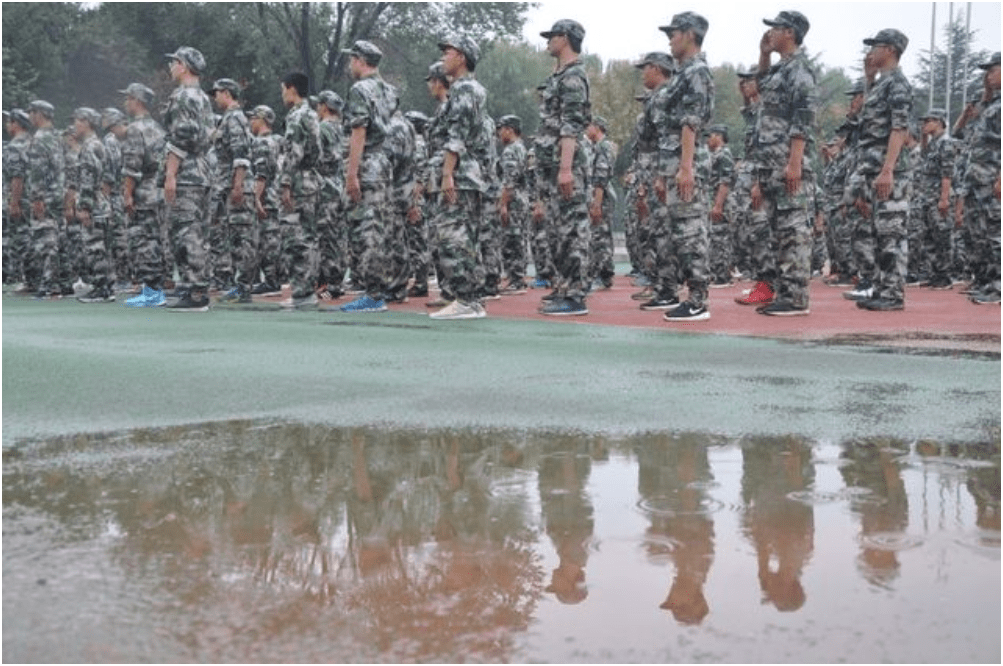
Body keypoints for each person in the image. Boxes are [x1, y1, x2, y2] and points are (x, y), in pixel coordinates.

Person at [747, 10, 817, 316]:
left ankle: (796, 298)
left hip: (787, 165)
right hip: (771, 165)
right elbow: (760, 87)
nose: (769, 33)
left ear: (789, 32)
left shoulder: (800, 70)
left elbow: (804, 118)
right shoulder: (779, 69)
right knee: (778, 230)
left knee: (793, 230)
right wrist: (763, 55)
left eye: (774, 28)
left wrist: (794, 163)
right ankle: (784, 292)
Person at [657, 12, 715, 322]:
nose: (670, 37)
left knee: (692, 232)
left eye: (674, 32)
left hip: (686, 162)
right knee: (680, 233)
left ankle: (697, 301)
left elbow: (690, 123)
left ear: (690, 34)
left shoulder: (697, 72)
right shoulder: (684, 72)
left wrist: (686, 167)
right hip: (676, 162)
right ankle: (691, 297)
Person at [850, 29, 913, 311]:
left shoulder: (898, 84)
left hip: (891, 172)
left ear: (889, 50)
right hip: (873, 169)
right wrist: (868, 78)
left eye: (874, 46)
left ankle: (893, 294)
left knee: (891, 233)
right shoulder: (880, 84)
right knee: (877, 232)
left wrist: (888, 169)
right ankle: (881, 287)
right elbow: (868, 122)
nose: (870, 52)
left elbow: (898, 128)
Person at [428, 35, 489, 320]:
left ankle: (467, 300)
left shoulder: (465, 89)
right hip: (465, 173)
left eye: (448, 52)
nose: (444, 57)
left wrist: (447, 174)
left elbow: (457, 135)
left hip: (461, 174)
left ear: (462, 57)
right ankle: (470, 299)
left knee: (455, 238)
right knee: (462, 237)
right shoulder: (464, 90)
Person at [534, 19, 592, 316]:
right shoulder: (559, 76)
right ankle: (564, 287)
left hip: (565, 165)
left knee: (571, 230)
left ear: (566, 39)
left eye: (552, 36)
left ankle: (576, 295)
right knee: (556, 231)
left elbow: (571, 126)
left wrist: (566, 168)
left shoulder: (573, 77)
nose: (547, 41)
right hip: (552, 165)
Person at [339, 41, 397, 314]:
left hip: (368, 161)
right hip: (384, 161)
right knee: (379, 228)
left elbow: (358, 132)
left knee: (368, 230)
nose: (350, 65)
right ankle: (378, 289)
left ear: (360, 60)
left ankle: (374, 294)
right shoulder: (389, 90)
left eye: (352, 60)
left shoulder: (360, 89)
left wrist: (352, 173)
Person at [161, 47, 215, 312]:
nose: (171, 67)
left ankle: (195, 291)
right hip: (203, 170)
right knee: (196, 231)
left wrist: (170, 174)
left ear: (183, 65)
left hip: (188, 173)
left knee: (186, 232)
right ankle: (191, 285)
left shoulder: (183, 96)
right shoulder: (202, 97)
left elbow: (181, 137)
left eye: (174, 62)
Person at [954, 52, 1001, 305]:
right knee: (981, 235)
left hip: (993, 180)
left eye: (994, 70)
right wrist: (986, 94)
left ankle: (998, 286)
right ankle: (987, 281)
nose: (988, 75)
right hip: (979, 182)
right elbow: (961, 134)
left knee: (995, 234)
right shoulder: (993, 104)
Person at [119, 82, 168, 307]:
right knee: (155, 239)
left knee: (143, 241)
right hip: (157, 189)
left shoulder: (134, 129)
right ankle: (156, 287)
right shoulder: (157, 127)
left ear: (137, 101)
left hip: (143, 192)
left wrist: (127, 194)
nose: (125, 103)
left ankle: (152, 291)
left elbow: (132, 166)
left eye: (128, 98)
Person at [278, 70, 323, 309]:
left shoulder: (296, 117)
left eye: (283, 89)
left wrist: (285, 182)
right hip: (310, 180)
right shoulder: (312, 114)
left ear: (292, 89)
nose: (282, 94)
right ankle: (306, 290)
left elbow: (293, 152)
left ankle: (302, 292)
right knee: (309, 237)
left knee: (297, 240)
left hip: (298, 181)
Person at [210, 78, 256, 304]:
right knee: (235, 238)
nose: (214, 97)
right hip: (229, 185)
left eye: (217, 93)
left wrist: (237, 185)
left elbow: (241, 154)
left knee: (242, 238)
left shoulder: (235, 117)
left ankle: (244, 287)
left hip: (237, 186)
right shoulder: (229, 118)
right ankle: (240, 285)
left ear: (227, 93)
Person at [71, 107, 116, 303]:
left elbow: (87, 179)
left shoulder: (89, 147)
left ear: (86, 122)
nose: (74, 126)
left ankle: (101, 288)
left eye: (77, 121)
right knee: (101, 247)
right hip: (102, 203)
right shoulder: (100, 145)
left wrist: (84, 207)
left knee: (95, 247)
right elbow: (108, 177)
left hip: (94, 205)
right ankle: (105, 286)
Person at [25, 100, 65, 299]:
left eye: (31, 112)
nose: (30, 116)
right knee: (58, 237)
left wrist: (37, 198)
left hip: (46, 195)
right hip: (59, 193)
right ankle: (60, 283)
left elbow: (38, 172)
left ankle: (49, 285)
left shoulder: (39, 138)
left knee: (47, 240)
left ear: (39, 114)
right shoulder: (57, 136)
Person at [915, 109, 957, 291]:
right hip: (928, 196)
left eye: (928, 121)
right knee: (929, 236)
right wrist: (923, 136)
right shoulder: (933, 144)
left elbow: (946, 174)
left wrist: (944, 199)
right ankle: (934, 273)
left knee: (942, 236)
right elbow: (924, 157)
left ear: (939, 122)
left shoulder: (946, 144)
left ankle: (945, 275)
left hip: (939, 196)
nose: (924, 125)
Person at [247, 104, 284, 296]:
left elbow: (261, 174)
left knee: (267, 240)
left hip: (267, 196)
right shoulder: (277, 141)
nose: (250, 122)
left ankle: (271, 281)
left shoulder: (262, 143)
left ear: (262, 120)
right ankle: (273, 279)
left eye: (253, 118)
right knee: (272, 238)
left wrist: (256, 199)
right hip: (276, 195)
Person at [315, 90, 348, 301]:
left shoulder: (323, 128)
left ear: (324, 106)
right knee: (337, 236)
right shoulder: (341, 129)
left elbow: (315, 157)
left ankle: (328, 283)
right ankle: (336, 280)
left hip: (325, 185)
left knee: (325, 237)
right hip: (339, 184)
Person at [496, 114, 530, 294]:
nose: (499, 134)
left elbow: (509, 181)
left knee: (511, 240)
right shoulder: (521, 148)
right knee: (518, 239)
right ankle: (517, 277)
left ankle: (515, 280)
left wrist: (503, 205)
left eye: (501, 129)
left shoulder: (510, 150)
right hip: (521, 199)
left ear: (509, 129)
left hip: (513, 201)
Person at [586, 116, 618, 291]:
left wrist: (596, 203)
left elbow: (601, 177)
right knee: (598, 235)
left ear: (597, 127)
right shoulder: (597, 147)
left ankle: (603, 274)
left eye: (588, 126)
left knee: (601, 236)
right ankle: (602, 273)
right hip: (599, 195)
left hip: (602, 196)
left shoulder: (603, 147)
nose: (586, 129)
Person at [100, 107, 130, 292]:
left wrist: (106, 197)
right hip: (126, 192)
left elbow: (109, 172)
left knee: (119, 236)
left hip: (118, 194)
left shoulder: (112, 141)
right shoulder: (122, 138)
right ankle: (126, 276)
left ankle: (124, 277)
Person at [3, 109, 33, 289]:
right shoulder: (32, 142)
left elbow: (17, 176)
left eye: (9, 122)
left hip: (21, 199)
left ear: (16, 124)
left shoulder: (15, 146)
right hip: (33, 197)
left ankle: (30, 280)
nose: (6, 125)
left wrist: (14, 202)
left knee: (22, 240)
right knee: (31, 237)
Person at [705, 124, 735, 287]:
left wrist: (718, 205)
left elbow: (725, 182)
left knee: (719, 239)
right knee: (713, 238)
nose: (708, 140)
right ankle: (716, 273)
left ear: (719, 136)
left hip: (721, 201)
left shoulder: (724, 155)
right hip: (713, 199)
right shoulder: (714, 155)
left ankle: (722, 276)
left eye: (710, 136)